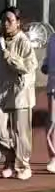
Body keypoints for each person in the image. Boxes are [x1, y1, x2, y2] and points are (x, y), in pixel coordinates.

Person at [0, 7, 38, 180]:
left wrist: (8, 56)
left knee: (21, 133)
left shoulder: (23, 41)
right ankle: (10, 158)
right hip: (1, 92)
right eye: (3, 20)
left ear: (18, 22)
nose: (6, 23)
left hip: (20, 93)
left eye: (10, 20)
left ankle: (23, 166)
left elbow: (29, 66)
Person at [42, 31, 55, 174]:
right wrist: (45, 65)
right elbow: (47, 60)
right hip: (53, 86)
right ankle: (53, 157)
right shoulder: (51, 39)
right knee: (52, 121)